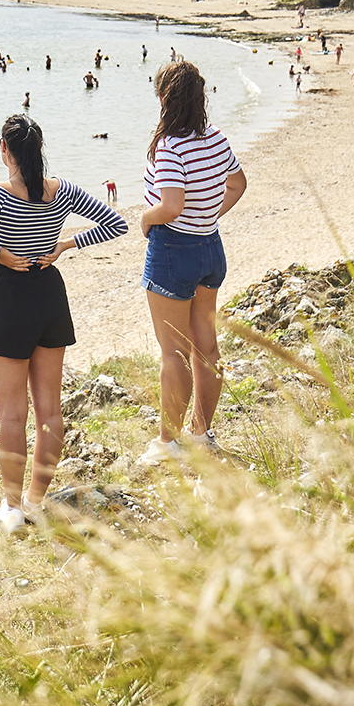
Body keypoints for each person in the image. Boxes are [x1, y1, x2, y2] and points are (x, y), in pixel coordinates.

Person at [0, 115, 128, 531]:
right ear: (38, 149)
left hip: (8, 299)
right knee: (49, 412)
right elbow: (117, 223)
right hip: (49, 297)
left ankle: (12, 508)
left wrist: (4, 257)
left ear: (4, 149)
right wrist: (63, 244)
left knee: (11, 414)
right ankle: (36, 501)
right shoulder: (61, 190)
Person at [139, 61, 245, 462]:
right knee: (207, 348)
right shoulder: (215, 137)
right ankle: (201, 433)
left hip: (173, 252)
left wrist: (145, 219)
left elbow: (170, 206)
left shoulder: (169, 146)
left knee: (174, 353)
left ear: (165, 99)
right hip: (209, 248)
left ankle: (168, 443)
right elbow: (238, 183)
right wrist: (210, 214)